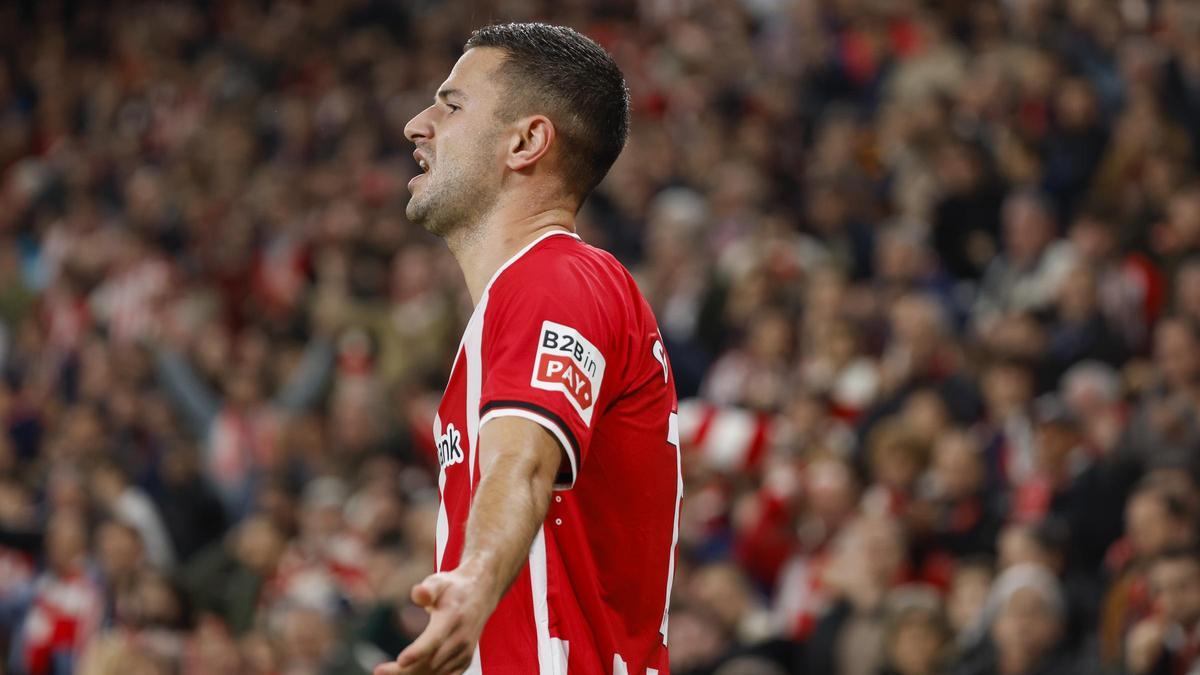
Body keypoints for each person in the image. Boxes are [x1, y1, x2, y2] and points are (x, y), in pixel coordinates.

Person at [374, 23, 679, 675]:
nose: (415, 124)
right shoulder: (528, 298)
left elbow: (525, 465)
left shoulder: (554, 276)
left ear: (526, 142)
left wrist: (473, 581)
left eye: (451, 105)